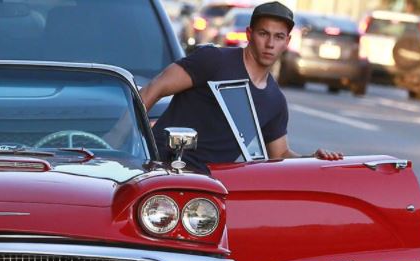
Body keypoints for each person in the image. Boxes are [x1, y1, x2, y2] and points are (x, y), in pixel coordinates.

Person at [139, 1, 343, 174]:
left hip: (206, 190)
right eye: (264, 33)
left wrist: (313, 159)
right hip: (158, 170)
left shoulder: (275, 100)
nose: (270, 43)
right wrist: (120, 149)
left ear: (287, 41)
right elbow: (154, 89)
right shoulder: (214, 61)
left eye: (279, 37)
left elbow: (279, 155)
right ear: (249, 34)